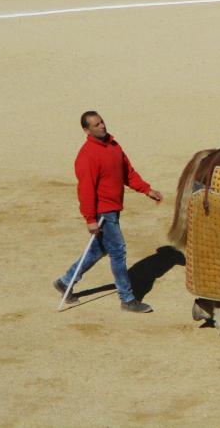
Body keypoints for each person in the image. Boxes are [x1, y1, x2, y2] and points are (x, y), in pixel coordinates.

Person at [53, 111, 163, 313]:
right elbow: (85, 190)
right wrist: (90, 219)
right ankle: (127, 298)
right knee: (118, 251)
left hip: (112, 208)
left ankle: (65, 281)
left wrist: (147, 190)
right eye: (96, 125)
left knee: (97, 250)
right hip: (102, 212)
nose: (102, 126)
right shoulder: (87, 155)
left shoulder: (114, 145)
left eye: (102, 122)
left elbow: (127, 172)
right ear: (86, 130)